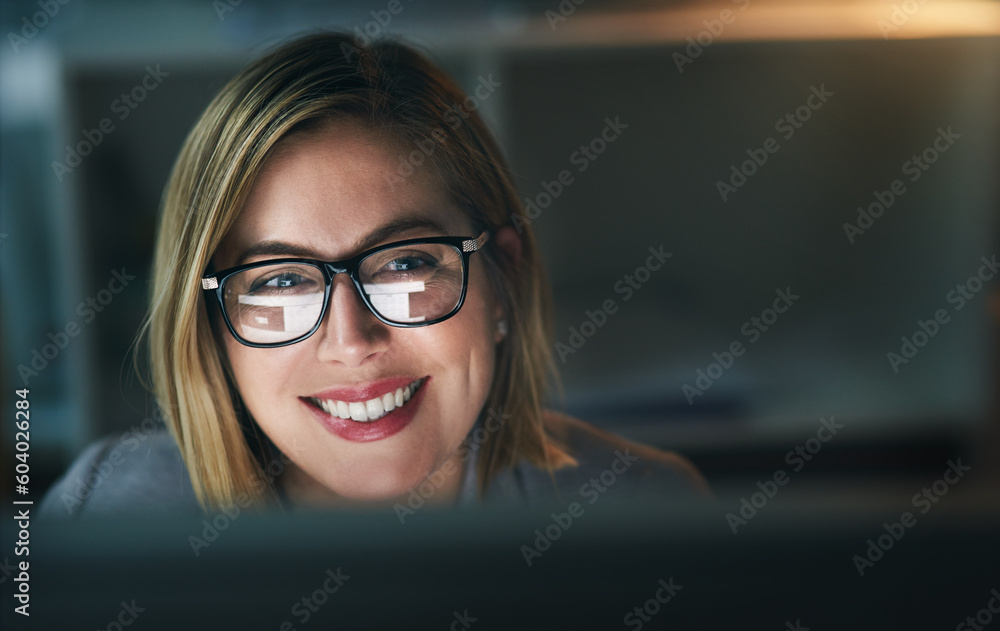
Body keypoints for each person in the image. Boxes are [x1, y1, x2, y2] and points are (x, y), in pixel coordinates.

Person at [40, 31, 709, 518]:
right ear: (210, 324)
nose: (352, 340)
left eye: (406, 263)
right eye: (280, 280)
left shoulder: (649, 510)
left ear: (502, 278)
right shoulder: (100, 515)